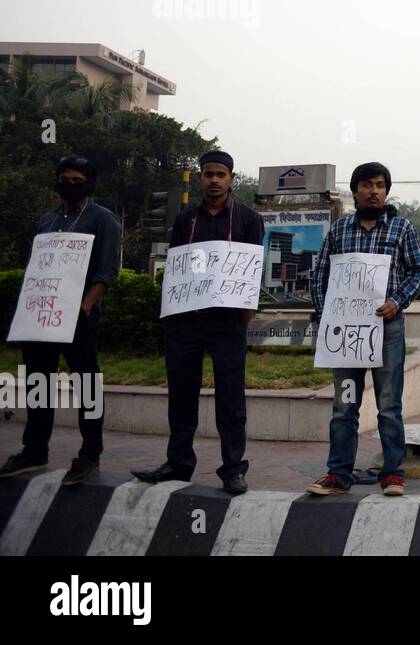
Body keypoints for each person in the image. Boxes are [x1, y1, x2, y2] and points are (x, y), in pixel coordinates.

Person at [132, 151, 263, 495]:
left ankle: (233, 469)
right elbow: (178, 268)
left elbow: (251, 272)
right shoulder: (185, 218)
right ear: (201, 177)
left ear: (232, 178)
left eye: (221, 174)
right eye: (208, 174)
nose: (214, 180)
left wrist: (243, 317)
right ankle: (178, 464)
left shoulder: (249, 219)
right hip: (185, 321)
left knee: (231, 400)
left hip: (227, 322)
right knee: (181, 394)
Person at [306, 162, 420, 496]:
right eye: (366, 185)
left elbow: (419, 271)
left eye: (379, 184)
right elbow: (320, 276)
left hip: (386, 331)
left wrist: (397, 301)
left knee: (389, 405)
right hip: (345, 336)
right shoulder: (339, 230)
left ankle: (392, 474)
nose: (373, 190)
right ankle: (338, 475)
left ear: (386, 190)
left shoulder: (401, 229)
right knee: (345, 405)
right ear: (355, 190)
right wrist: (326, 314)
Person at [1, 156, 121, 485]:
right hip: (41, 315)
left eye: (77, 179)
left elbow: (107, 270)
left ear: (89, 183)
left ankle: (90, 453)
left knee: (86, 384)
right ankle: (34, 450)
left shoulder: (102, 219)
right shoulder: (46, 220)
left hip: (78, 317)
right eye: (64, 179)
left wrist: (85, 306)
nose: (70, 185)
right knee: (38, 382)